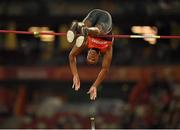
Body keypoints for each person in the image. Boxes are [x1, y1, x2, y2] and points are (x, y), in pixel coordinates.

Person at [67, 9, 113, 100]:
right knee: (100, 31)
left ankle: (75, 25)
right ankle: (85, 30)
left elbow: (71, 56)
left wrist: (75, 75)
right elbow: (105, 69)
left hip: (93, 14)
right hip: (105, 20)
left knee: (83, 29)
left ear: (87, 53)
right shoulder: (106, 48)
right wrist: (95, 86)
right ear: (98, 57)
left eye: (89, 58)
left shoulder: (85, 43)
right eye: (93, 59)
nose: (91, 57)